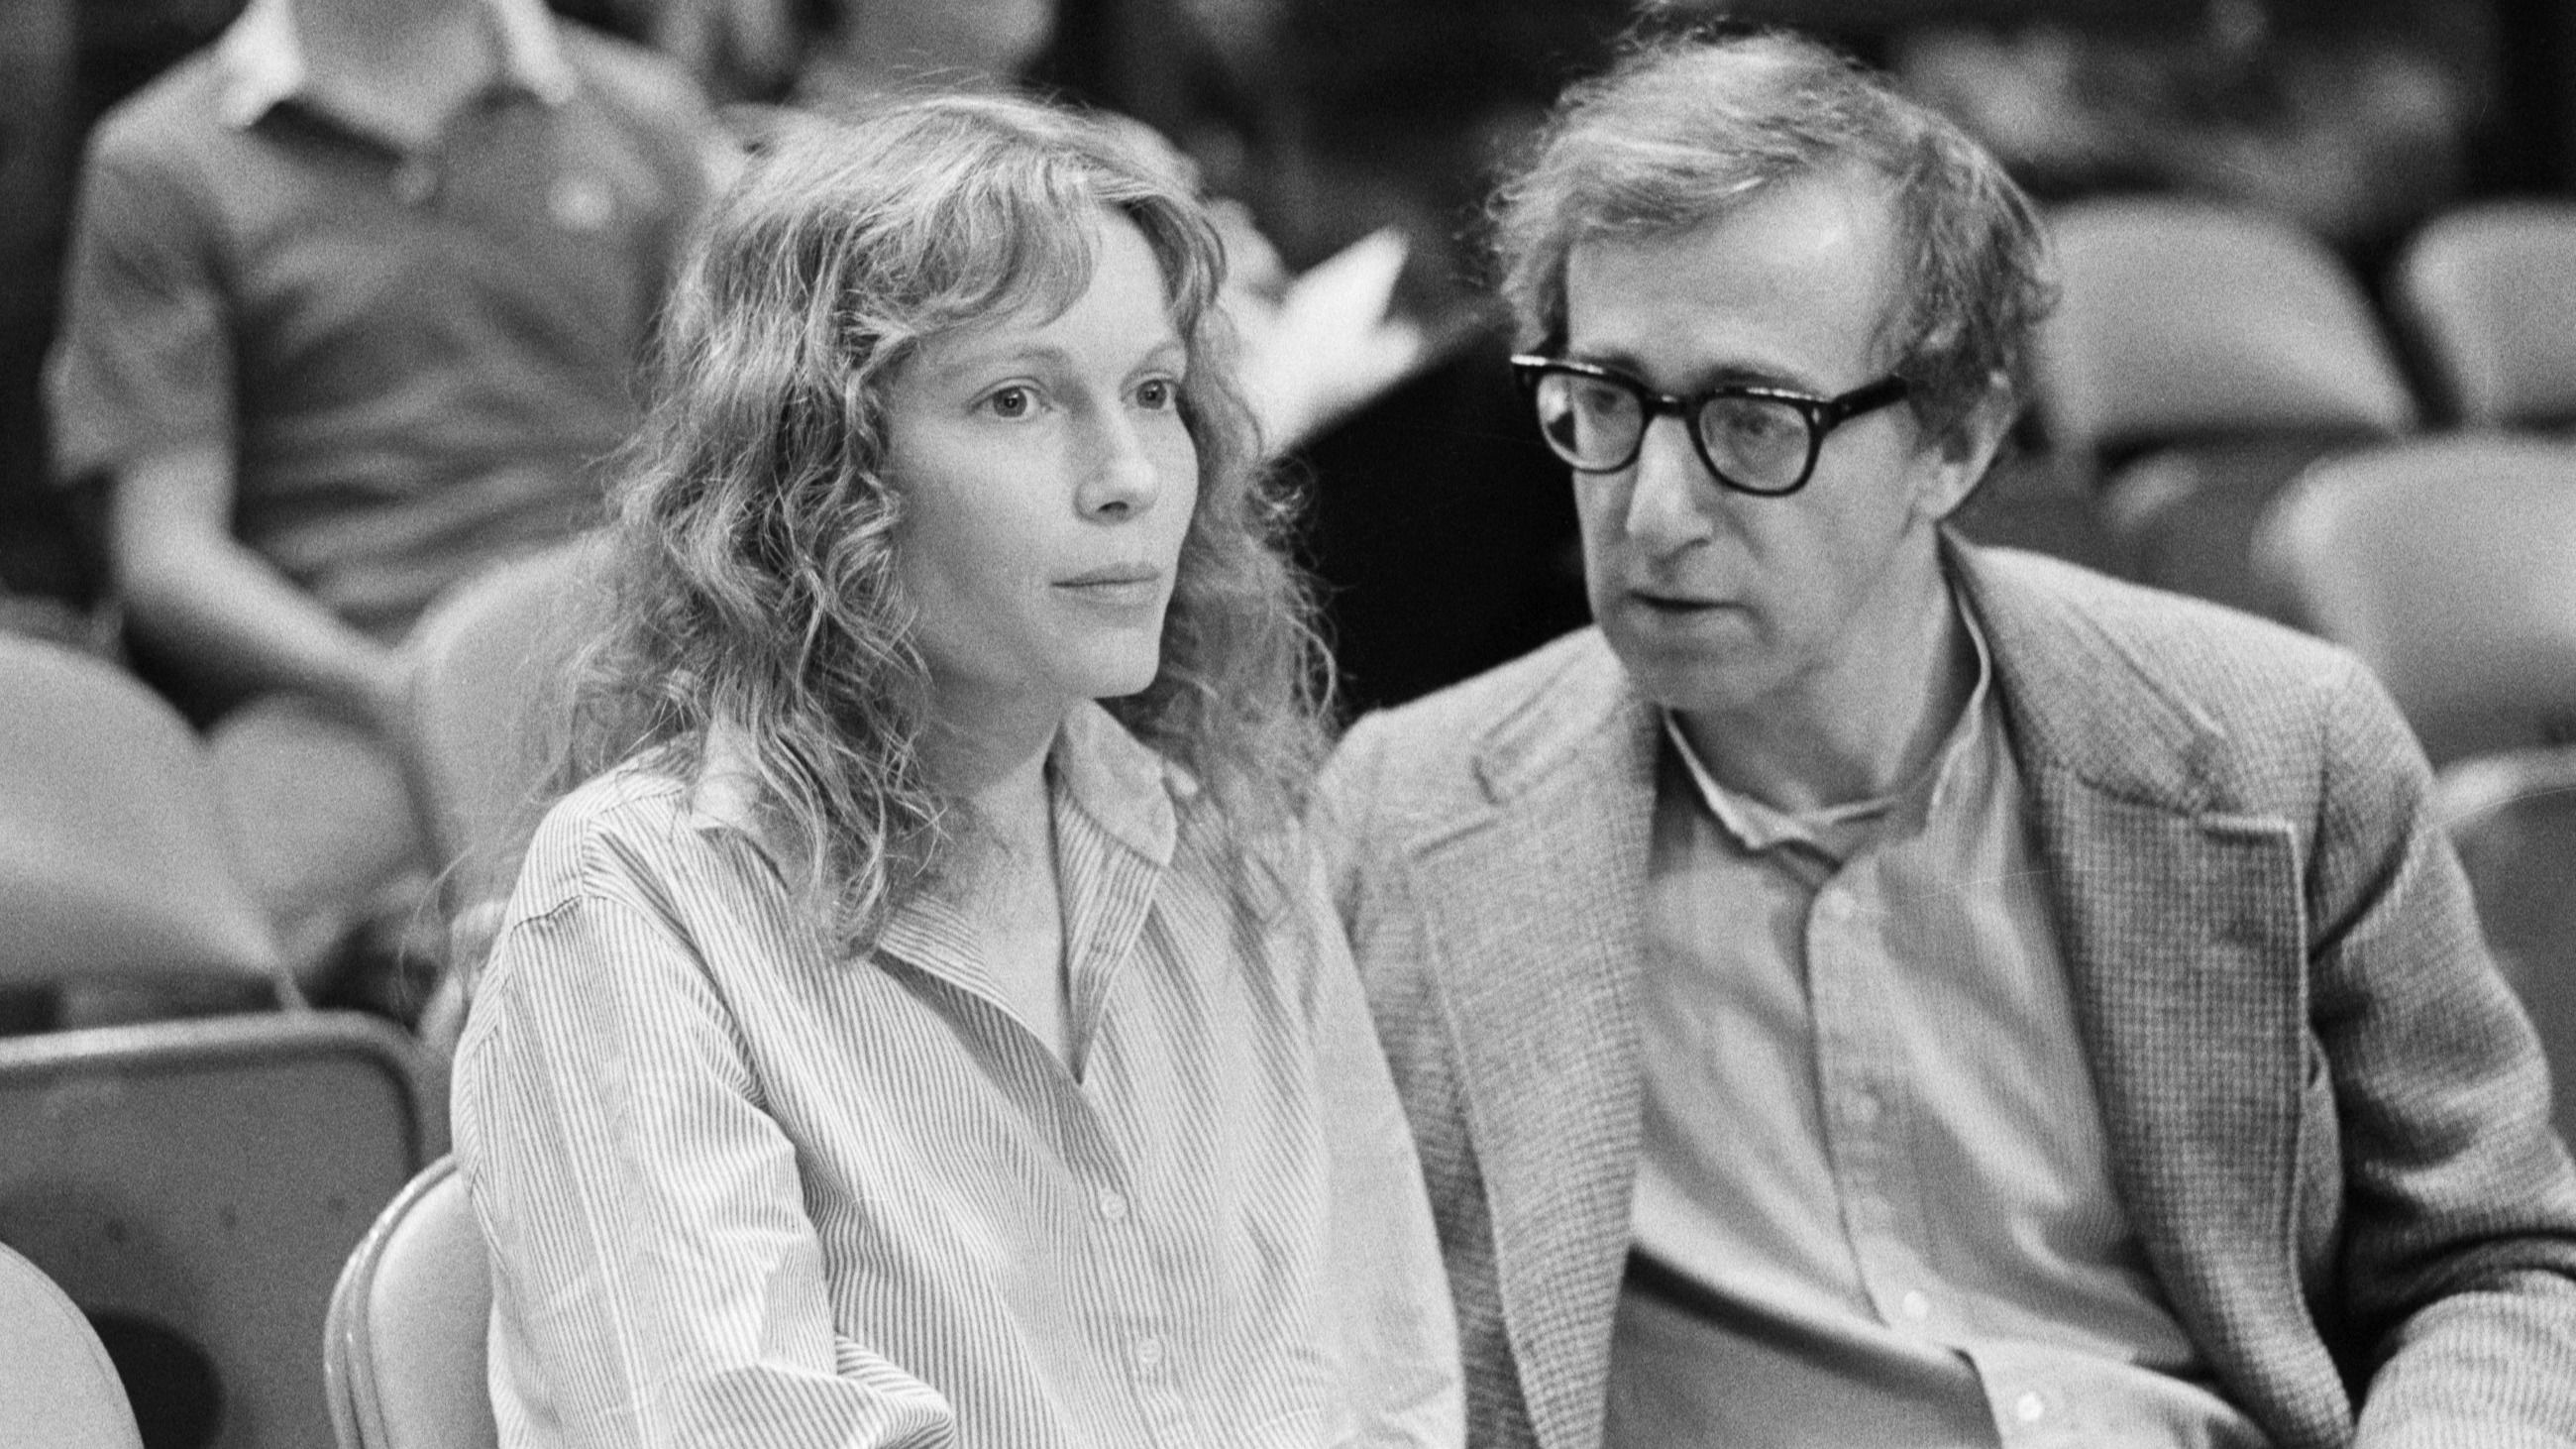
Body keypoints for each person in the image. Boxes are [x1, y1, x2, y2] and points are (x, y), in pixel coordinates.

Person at [1317, 29, 2576, 1449]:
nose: (1654, 507)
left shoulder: (2282, 745)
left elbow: (2499, 1261)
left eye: (1751, 418)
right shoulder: (1406, 814)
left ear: (1956, 439)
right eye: (1607, 403)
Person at [451, 95, 1461, 1448]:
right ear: (824, 473)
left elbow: (1387, 1386)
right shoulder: (639, 902)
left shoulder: (1234, 845)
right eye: (1017, 397)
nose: (1128, 478)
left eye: (1155, 393)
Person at [45, 0, 723, 981]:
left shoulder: (645, 113)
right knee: (146, 985)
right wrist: (397, 690)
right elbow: (167, 553)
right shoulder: (161, 158)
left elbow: (722, 461)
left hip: (623, 676)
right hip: (338, 695)